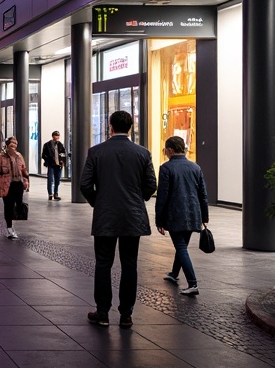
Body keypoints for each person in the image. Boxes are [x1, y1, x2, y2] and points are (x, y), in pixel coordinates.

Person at [80, 110, 157, 329]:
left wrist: (98, 201)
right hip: (133, 217)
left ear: (110, 127)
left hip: (106, 216)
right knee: (130, 264)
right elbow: (151, 185)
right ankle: (126, 315)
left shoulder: (96, 152)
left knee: (103, 263)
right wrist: (136, 198)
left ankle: (103, 312)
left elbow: (85, 184)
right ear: (131, 128)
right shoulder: (142, 153)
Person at [155, 136, 209, 296]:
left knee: (181, 247)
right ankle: (174, 273)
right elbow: (203, 194)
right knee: (182, 246)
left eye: (165, 149)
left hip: (175, 215)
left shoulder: (166, 168)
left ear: (170, 150)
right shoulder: (195, 167)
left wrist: (159, 220)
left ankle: (193, 283)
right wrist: (204, 216)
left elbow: (162, 196)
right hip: (193, 214)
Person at [0, 136, 30, 239]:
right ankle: (9, 228)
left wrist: (26, 181)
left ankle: (12, 221)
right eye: (11, 144)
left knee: (19, 203)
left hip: (18, 184)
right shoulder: (2, 157)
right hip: (6, 185)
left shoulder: (19, 156)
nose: (13, 146)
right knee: (8, 205)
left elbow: (24, 170)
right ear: (7, 145)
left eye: (15, 144)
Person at [41, 131, 67, 201]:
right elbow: (43, 155)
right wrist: (48, 160)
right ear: (53, 136)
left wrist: (63, 162)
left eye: (58, 135)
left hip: (58, 165)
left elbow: (63, 154)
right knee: (50, 179)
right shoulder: (47, 145)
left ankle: (56, 193)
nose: (57, 137)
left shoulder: (60, 145)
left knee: (57, 180)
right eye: (56, 135)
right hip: (51, 164)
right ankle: (50, 193)